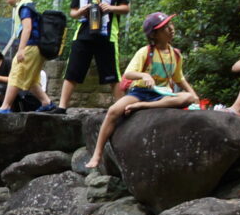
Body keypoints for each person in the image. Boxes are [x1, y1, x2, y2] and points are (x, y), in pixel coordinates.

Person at [79, 12, 200, 173]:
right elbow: (128, 74)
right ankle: (97, 153)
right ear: (154, 34)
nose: (171, 29)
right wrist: (144, 75)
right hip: (141, 92)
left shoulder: (175, 54)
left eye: (170, 25)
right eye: (165, 28)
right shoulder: (146, 52)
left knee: (188, 97)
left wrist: (194, 95)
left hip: (163, 94)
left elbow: (179, 78)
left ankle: (142, 106)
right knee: (114, 110)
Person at [58, 0, 131, 110]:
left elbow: (126, 8)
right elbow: (73, 12)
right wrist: (81, 12)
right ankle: (62, 106)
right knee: (72, 71)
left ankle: (122, 108)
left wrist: (111, 8)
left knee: (112, 74)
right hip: (84, 33)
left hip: (106, 34)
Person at [0, 0, 47, 113]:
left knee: (15, 73)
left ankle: (5, 106)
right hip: (35, 47)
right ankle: (47, 102)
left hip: (30, 46)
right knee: (31, 79)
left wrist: (21, 49)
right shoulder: (27, 6)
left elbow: (27, 28)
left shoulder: (25, 8)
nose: (7, 1)